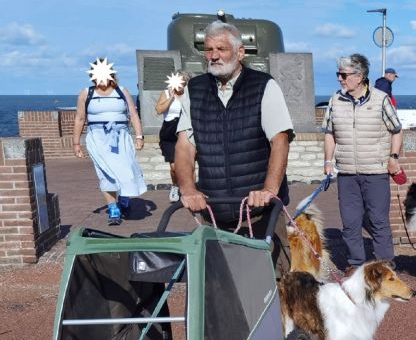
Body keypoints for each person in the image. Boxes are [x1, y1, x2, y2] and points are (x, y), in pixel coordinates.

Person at [174, 20, 295, 273]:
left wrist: (269, 190)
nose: (214, 56)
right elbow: (185, 146)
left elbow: (279, 141)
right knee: (220, 283)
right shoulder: (194, 90)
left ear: (240, 53)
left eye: (221, 49)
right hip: (214, 210)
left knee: (270, 281)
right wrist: (188, 189)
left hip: (259, 212)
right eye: (209, 50)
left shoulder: (264, 86)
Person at [324, 53, 404, 270]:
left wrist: (393, 158)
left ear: (359, 77)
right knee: (350, 223)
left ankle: (385, 267)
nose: (339, 78)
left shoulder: (380, 99)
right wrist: (328, 161)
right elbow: (329, 133)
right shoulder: (335, 100)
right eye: (338, 74)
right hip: (346, 173)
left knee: (378, 221)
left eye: (343, 75)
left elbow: (397, 131)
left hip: (376, 172)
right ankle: (356, 265)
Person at [72, 58, 147, 226]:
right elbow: (80, 118)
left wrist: (139, 136)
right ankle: (113, 208)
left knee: (126, 171)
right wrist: (76, 143)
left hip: (121, 137)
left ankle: (124, 197)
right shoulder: (86, 93)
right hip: (98, 138)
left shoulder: (122, 91)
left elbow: (133, 115)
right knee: (106, 174)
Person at [154, 71, 189, 202]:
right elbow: (159, 110)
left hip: (184, 129)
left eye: (182, 83)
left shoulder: (189, 94)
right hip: (169, 130)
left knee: (187, 163)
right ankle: (175, 186)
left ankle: (188, 189)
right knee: (174, 167)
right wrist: (171, 98)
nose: (179, 86)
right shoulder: (166, 93)